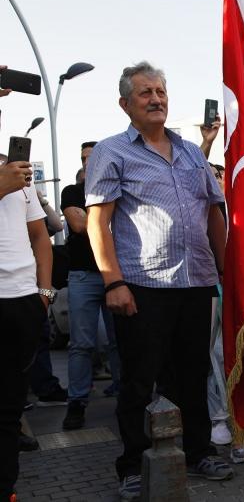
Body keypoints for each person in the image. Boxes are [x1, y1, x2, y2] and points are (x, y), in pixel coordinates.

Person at [84, 61, 232, 499]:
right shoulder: (113, 151)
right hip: (142, 285)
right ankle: (132, 465)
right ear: (125, 103)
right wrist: (113, 282)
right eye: (146, 93)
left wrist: (225, 272)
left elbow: (214, 212)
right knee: (138, 380)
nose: (156, 99)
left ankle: (198, 451)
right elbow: (99, 222)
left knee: (194, 373)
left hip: (197, 281)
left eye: (161, 92)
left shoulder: (189, 151)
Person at [0, 82, 55, 501]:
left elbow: (40, 236)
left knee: (9, 406)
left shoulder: (15, 174)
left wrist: (44, 291)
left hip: (22, 301)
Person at [61, 141, 121, 431]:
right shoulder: (71, 191)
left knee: (118, 341)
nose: (88, 162)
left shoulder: (117, 188)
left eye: (93, 157)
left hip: (116, 274)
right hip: (83, 276)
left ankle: (126, 398)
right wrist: (105, 221)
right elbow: (80, 225)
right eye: (84, 158)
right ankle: (77, 403)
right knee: (81, 344)